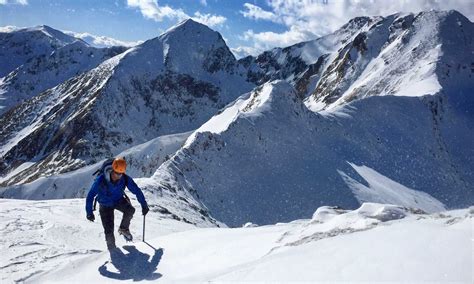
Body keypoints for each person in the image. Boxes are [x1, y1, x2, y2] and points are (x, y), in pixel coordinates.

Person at [85, 157, 149, 250]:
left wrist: (144, 205)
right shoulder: (101, 180)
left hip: (118, 200)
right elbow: (90, 196)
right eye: (117, 173)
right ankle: (112, 250)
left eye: (121, 174)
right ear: (113, 170)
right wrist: (89, 212)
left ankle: (124, 228)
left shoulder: (125, 178)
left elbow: (136, 190)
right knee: (109, 231)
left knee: (130, 210)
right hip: (105, 205)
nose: (118, 176)